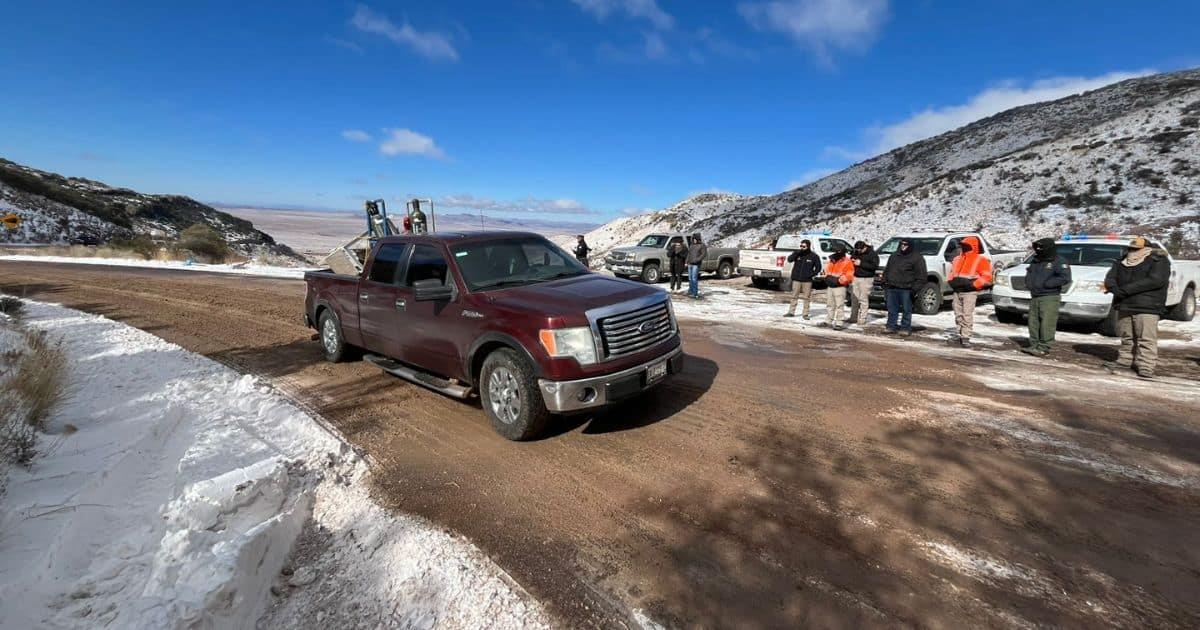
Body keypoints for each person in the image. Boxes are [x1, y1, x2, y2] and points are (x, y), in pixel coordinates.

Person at [1103, 237, 1171, 379]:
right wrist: (1113, 287)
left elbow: (1155, 280)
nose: (1132, 252)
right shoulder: (1121, 261)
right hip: (1124, 303)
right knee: (1127, 336)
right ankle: (1125, 360)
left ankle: (1146, 366)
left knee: (1146, 338)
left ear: (1147, 249)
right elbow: (1111, 277)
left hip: (1147, 306)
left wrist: (1124, 290)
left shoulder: (1158, 260)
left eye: (1136, 249)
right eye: (1131, 249)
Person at [1022, 237, 1072, 356]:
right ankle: (1034, 344)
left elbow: (1065, 278)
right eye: (1037, 247)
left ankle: (1044, 346)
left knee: (1047, 322)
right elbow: (1030, 273)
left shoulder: (1059, 261)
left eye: (1041, 247)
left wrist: (1048, 284)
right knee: (1033, 322)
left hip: (1049, 296)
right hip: (1035, 295)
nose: (1039, 249)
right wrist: (1029, 283)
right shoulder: (1036, 260)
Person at [946, 236, 993, 347]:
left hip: (970, 292)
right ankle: (959, 334)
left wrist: (973, 285)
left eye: (965, 245)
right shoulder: (957, 259)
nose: (962, 247)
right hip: (957, 291)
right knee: (958, 314)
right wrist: (950, 282)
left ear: (972, 246)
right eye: (962, 245)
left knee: (967, 314)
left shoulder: (981, 260)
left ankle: (966, 336)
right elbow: (952, 273)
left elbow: (987, 276)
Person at [882, 238, 927, 336]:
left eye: (905, 244)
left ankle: (905, 327)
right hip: (892, 287)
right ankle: (891, 326)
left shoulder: (917, 258)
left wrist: (915, 288)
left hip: (907, 288)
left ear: (910, 246)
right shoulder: (894, 256)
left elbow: (922, 276)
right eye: (901, 244)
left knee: (907, 310)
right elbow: (887, 269)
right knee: (892, 309)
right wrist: (884, 281)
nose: (903, 246)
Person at [784, 239, 821, 319]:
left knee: (806, 297)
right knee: (794, 296)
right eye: (801, 246)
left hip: (807, 280)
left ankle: (805, 313)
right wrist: (797, 253)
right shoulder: (797, 254)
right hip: (796, 279)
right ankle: (791, 312)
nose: (802, 247)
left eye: (803, 246)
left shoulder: (814, 256)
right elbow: (789, 260)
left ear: (808, 246)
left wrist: (811, 274)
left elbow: (818, 268)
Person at [822, 245, 855, 330]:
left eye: (839, 251)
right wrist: (826, 277)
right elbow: (827, 270)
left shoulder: (847, 262)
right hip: (830, 285)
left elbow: (849, 275)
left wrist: (838, 281)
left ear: (843, 251)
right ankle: (828, 320)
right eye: (836, 250)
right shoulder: (832, 259)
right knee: (830, 304)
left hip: (839, 286)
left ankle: (839, 322)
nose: (837, 252)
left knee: (839, 305)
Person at [848, 240, 879, 328]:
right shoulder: (856, 252)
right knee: (854, 298)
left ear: (864, 247)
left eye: (860, 250)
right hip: (856, 277)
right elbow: (852, 258)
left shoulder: (872, 254)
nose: (858, 251)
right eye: (857, 250)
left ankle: (862, 318)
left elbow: (874, 266)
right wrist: (853, 260)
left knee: (863, 298)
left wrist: (861, 263)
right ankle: (853, 317)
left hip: (866, 278)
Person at [686, 233, 707, 299]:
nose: (694, 240)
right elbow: (688, 254)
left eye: (695, 239)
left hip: (696, 264)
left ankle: (695, 292)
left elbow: (703, 254)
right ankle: (690, 291)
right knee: (690, 278)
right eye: (693, 239)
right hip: (690, 264)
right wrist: (686, 261)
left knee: (694, 278)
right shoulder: (692, 245)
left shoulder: (702, 245)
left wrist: (697, 260)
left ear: (698, 239)